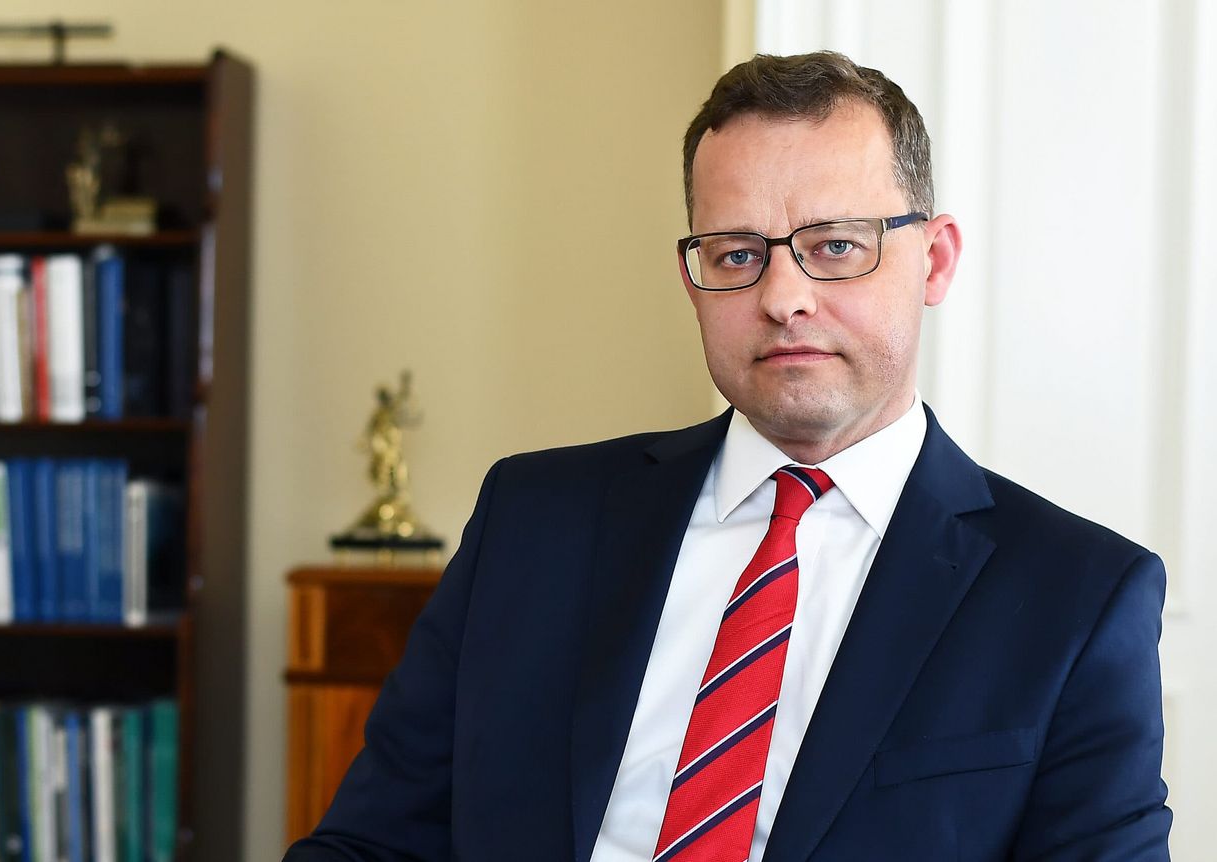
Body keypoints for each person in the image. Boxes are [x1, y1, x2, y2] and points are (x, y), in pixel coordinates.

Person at [284, 51, 1170, 861]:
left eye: (835, 246)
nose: (784, 297)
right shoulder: (533, 519)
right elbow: (372, 844)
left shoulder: (1077, 598)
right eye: (737, 254)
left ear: (933, 262)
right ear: (693, 278)